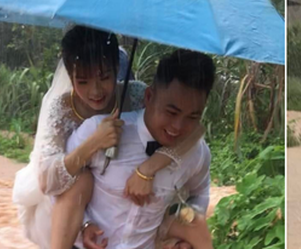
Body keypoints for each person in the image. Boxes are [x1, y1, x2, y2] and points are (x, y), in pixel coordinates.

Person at [12, 26, 203, 248]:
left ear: (117, 69)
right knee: (83, 179)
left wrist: (148, 168)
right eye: (82, 81)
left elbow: (195, 130)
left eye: (104, 77)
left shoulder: (135, 94)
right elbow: (48, 181)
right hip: (67, 201)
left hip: (122, 197)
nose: (95, 91)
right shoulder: (61, 108)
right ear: (70, 77)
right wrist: (94, 143)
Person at [68, 49, 214, 249]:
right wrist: (84, 224)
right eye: (171, 112)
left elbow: (200, 192)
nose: (178, 126)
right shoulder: (99, 133)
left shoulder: (197, 153)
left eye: (192, 117)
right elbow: (61, 185)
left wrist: (183, 230)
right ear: (148, 96)